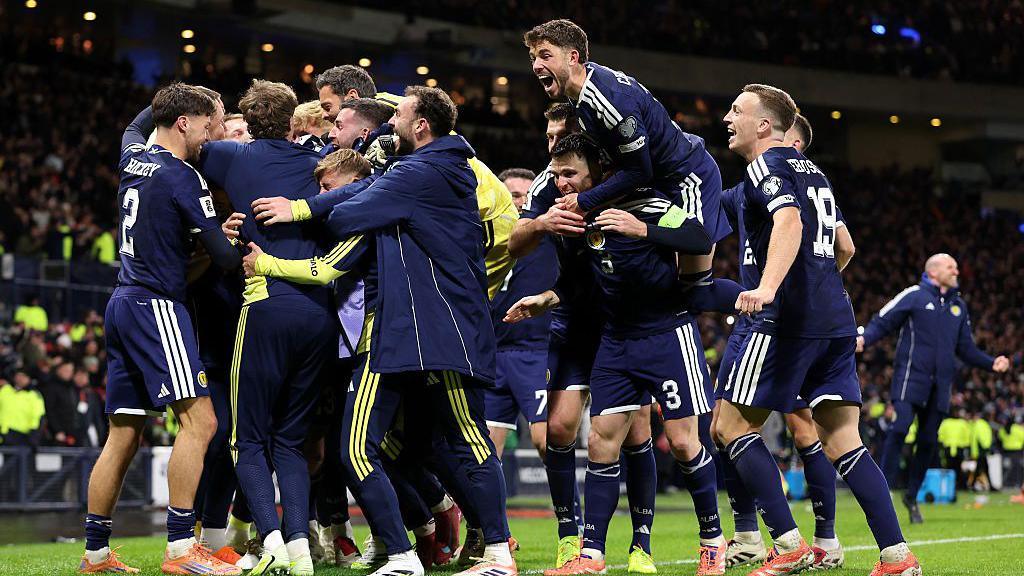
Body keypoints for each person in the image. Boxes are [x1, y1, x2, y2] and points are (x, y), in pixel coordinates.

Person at [715, 83, 921, 576]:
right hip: (835, 320)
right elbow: (844, 246)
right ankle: (897, 556)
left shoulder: (766, 164)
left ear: (764, 126)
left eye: (736, 111)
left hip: (784, 322)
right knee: (844, 438)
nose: (727, 117)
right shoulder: (817, 174)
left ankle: (787, 545)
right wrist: (818, 283)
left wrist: (769, 287)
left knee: (729, 426)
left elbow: (789, 222)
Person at [507, 134, 726, 576]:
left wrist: (642, 229)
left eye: (570, 173)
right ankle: (591, 554)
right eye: (558, 174)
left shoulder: (646, 201)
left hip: (668, 334)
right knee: (601, 442)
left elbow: (700, 237)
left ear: (597, 171)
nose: (561, 182)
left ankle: (712, 541)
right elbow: (575, 285)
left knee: (684, 443)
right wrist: (546, 298)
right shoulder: (576, 223)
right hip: (616, 341)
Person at [322, 86, 516, 576]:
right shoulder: (433, 170)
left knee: (468, 439)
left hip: (443, 326)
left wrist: (322, 204)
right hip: (411, 330)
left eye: (400, 116)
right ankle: (406, 552)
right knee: (375, 447)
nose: (391, 125)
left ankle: (495, 552)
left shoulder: (422, 170)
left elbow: (345, 214)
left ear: (422, 125)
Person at [80, 82, 241, 575]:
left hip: (121, 302)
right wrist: (229, 236)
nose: (210, 136)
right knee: (203, 422)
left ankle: (95, 554)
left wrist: (173, 98)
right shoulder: (182, 177)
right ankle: (180, 550)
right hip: (158, 306)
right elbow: (226, 260)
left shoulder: (132, 157)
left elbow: (135, 125)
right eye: (208, 124)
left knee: (123, 434)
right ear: (184, 123)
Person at [505, 103, 660, 576]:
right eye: (549, 132)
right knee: (557, 429)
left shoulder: (628, 181)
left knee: (633, 433)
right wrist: (542, 224)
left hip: (623, 323)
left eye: (563, 131)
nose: (554, 140)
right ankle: (569, 538)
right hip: (572, 320)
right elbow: (515, 239)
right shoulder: (548, 185)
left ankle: (640, 544)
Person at [197, 79, 337, 576]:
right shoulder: (317, 163)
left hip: (265, 306)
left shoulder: (232, 157)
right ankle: (301, 550)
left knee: (247, 439)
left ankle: (272, 543)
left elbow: (179, 148)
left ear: (249, 120)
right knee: (291, 442)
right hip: (320, 312)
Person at [713, 114, 851, 570]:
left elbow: (812, 235)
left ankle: (801, 539)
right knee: (725, 426)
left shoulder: (782, 174)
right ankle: (756, 535)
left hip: (775, 318)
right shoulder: (761, 186)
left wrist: (794, 291)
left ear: (790, 140)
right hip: (763, 316)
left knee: (793, 427)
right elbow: (845, 248)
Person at [858, 253, 1010, 523]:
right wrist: (864, 339)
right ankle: (880, 491)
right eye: (951, 267)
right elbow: (884, 319)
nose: (957, 271)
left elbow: (966, 348)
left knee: (928, 441)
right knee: (901, 427)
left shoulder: (958, 307)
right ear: (934, 270)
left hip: (940, 386)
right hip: (910, 379)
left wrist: (991, 363)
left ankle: (912, 496)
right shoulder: (914, 295)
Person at [484, 168, 558, 459]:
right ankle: (490, 508)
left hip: (536, 352)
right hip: (493, 352)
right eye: (514, 195)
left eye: (527, 196)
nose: (521, 202)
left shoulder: (551, 235)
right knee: (487, 451)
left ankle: (569, 508)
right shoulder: (485, 239)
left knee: (547, 441)